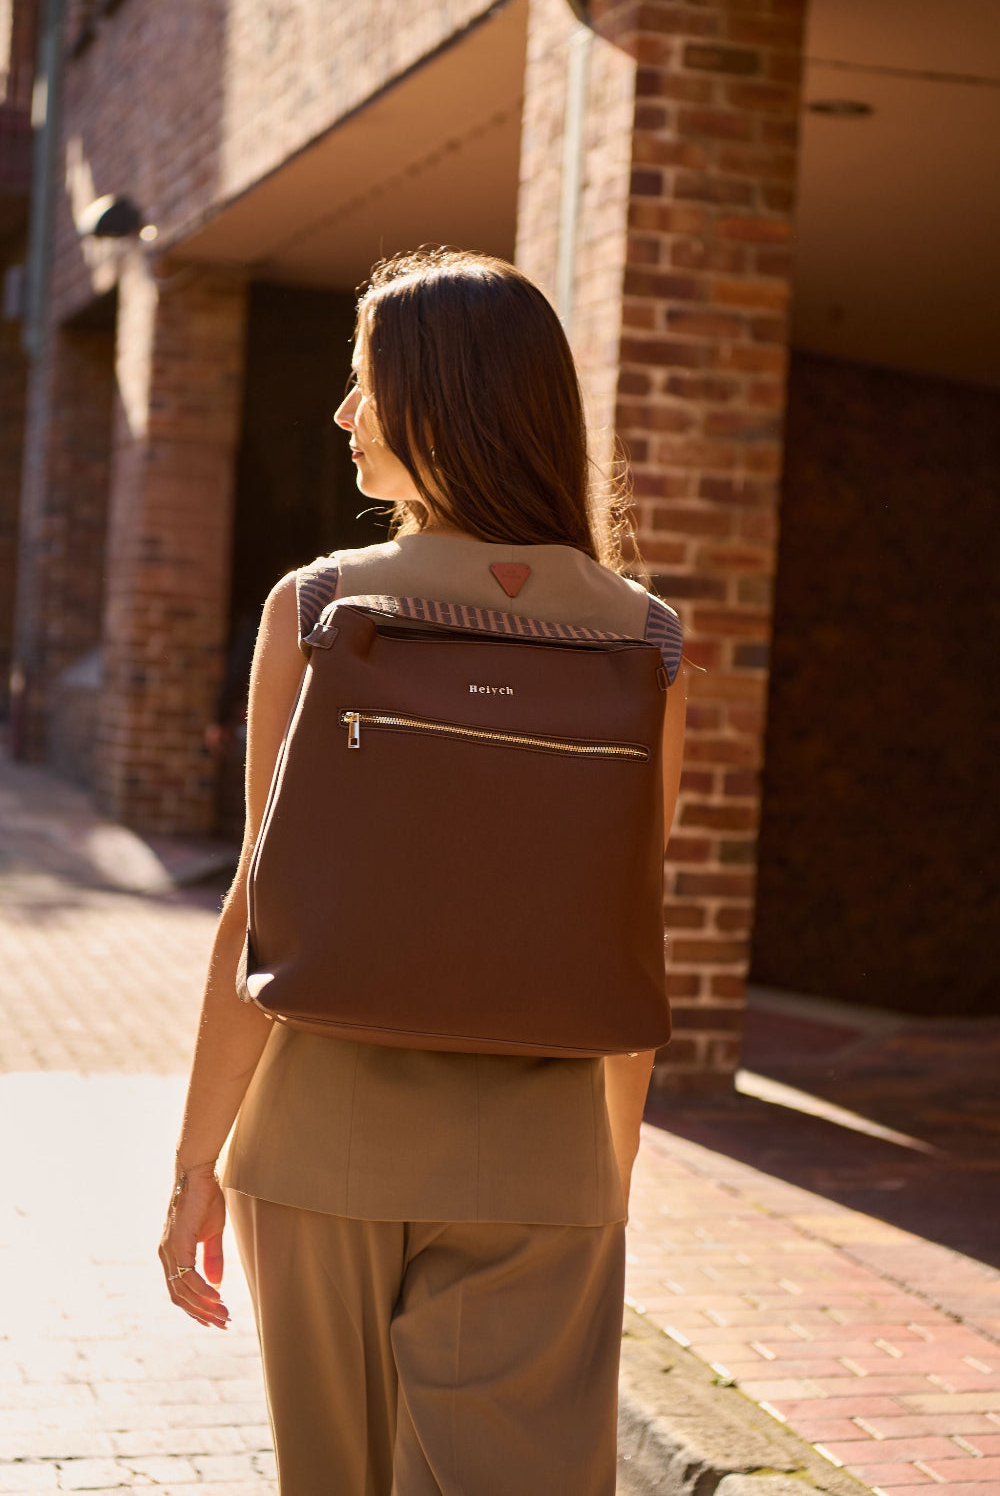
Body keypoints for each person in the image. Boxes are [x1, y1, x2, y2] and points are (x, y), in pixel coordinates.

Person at [159, 247, 687, 1496]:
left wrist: (194, 1172)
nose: (343, 413)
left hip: (315, 1148)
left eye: (364, 383)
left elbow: (257, 906)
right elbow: (631, 926)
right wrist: (601, 1182)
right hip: (541, 1157)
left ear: (442, 398)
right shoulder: (642, 638)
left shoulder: (321, 607)